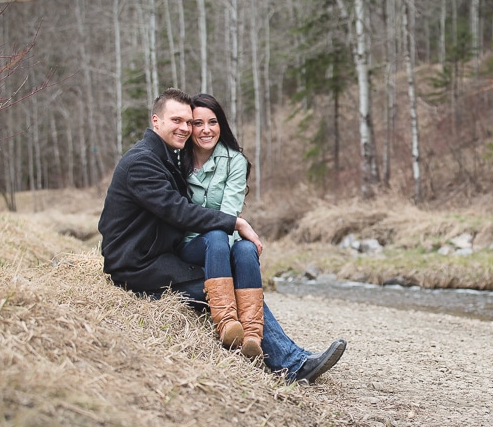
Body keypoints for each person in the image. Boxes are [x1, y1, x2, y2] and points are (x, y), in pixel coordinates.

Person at [98, 88, 346, 384]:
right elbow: (179, 211)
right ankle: (292, 363)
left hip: (155, 257)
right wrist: (236, 223)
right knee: (219, 288)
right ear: (156, 121)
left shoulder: (167, 157)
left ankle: (285, 355)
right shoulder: (144, 161)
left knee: (234, 262)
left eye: (188, 122)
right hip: (137, 267)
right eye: (177, 120)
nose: (185, 127)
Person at [176, 93, 263, 360]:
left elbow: (229, 211)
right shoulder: (177, 161)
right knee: (215, 235)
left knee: (247, 249)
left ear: (221, 125)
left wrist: (225, 254)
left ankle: (251, 335)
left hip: (222, 242)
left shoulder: (234, 161)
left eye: (212, 122)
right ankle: (225, 323)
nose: (206, 130)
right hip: (190, 244)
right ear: (189, 128)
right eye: (198, 123)